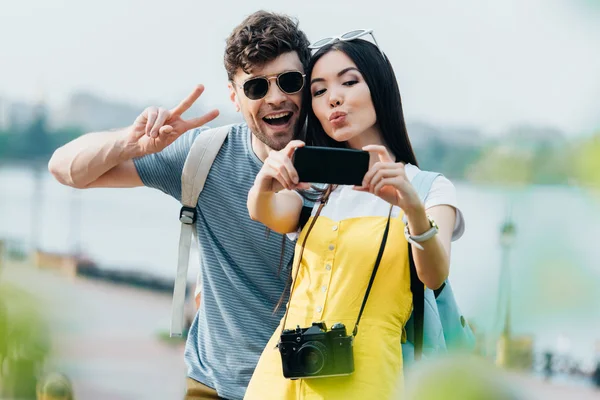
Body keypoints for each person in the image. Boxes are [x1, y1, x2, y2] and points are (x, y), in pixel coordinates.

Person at [47, 10, 311, 400]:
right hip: (213, 386)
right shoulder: (205, 155)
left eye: (289, 81)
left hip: (306, 388)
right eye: (256, 87)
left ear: (307, 85)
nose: (275, 98)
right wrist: (129, 143)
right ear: (235, 98)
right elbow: (65, 169)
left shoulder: (341, 167)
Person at [244, 30, 465, 399]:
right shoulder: (318, 190)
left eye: (349, 82)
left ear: (379, 88)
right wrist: (264, 181)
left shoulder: (429, 188)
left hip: (369, 378)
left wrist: (410, 206)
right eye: (318, 91)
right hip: (285, 373)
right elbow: (264, 212)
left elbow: (434, 274)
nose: (334, 98)